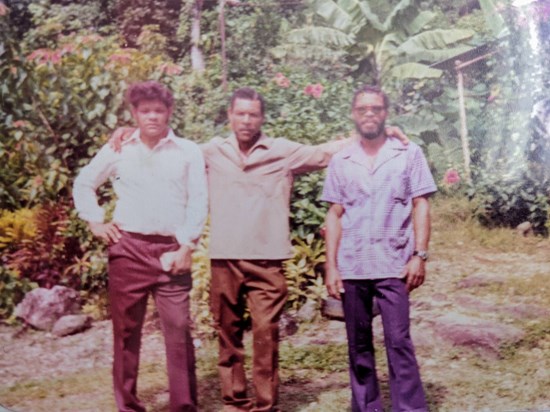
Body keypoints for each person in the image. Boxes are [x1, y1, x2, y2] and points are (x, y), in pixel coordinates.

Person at [110, 86, 409, 412]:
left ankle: (266, 405)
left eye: (253, 115)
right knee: (228, 334)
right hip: (224, 258)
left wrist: (377, 135)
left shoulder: (282, 151)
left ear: (262, 118)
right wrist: (131, 131)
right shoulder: (209, 152)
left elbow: (324, 153)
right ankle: (235, 401)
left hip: (268, 260)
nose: (246, 121)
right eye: (240, 114)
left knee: (266, 334)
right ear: (229, 116)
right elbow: (169, 149)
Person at [73, 80, 208, 412]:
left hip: (172, 252)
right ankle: (129, 406)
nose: (152, 117)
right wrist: (94, 221)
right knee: (126, 333)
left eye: (159, 111)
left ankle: (183, 406)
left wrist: (187, 246)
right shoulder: (120, 149)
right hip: (128, 249)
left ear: (169, 112)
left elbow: (198, 201)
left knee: (177, 330)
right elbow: (85, 182)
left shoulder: (188, 150)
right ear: (133, 113)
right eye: (145, 111)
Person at [321, 85, 436, 412]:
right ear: (353, 114)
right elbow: (334, 213)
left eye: (375, 109)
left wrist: (420, 254)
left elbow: (421, 203)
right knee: (358, 346)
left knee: (399, 342)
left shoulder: (407, 153)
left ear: (386, 113)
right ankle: (366, 406)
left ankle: (410, 408)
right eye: (362, 109)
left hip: (395, 265)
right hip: (353, 266)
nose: (369, 114)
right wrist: (331, 265)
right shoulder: (342, 160)